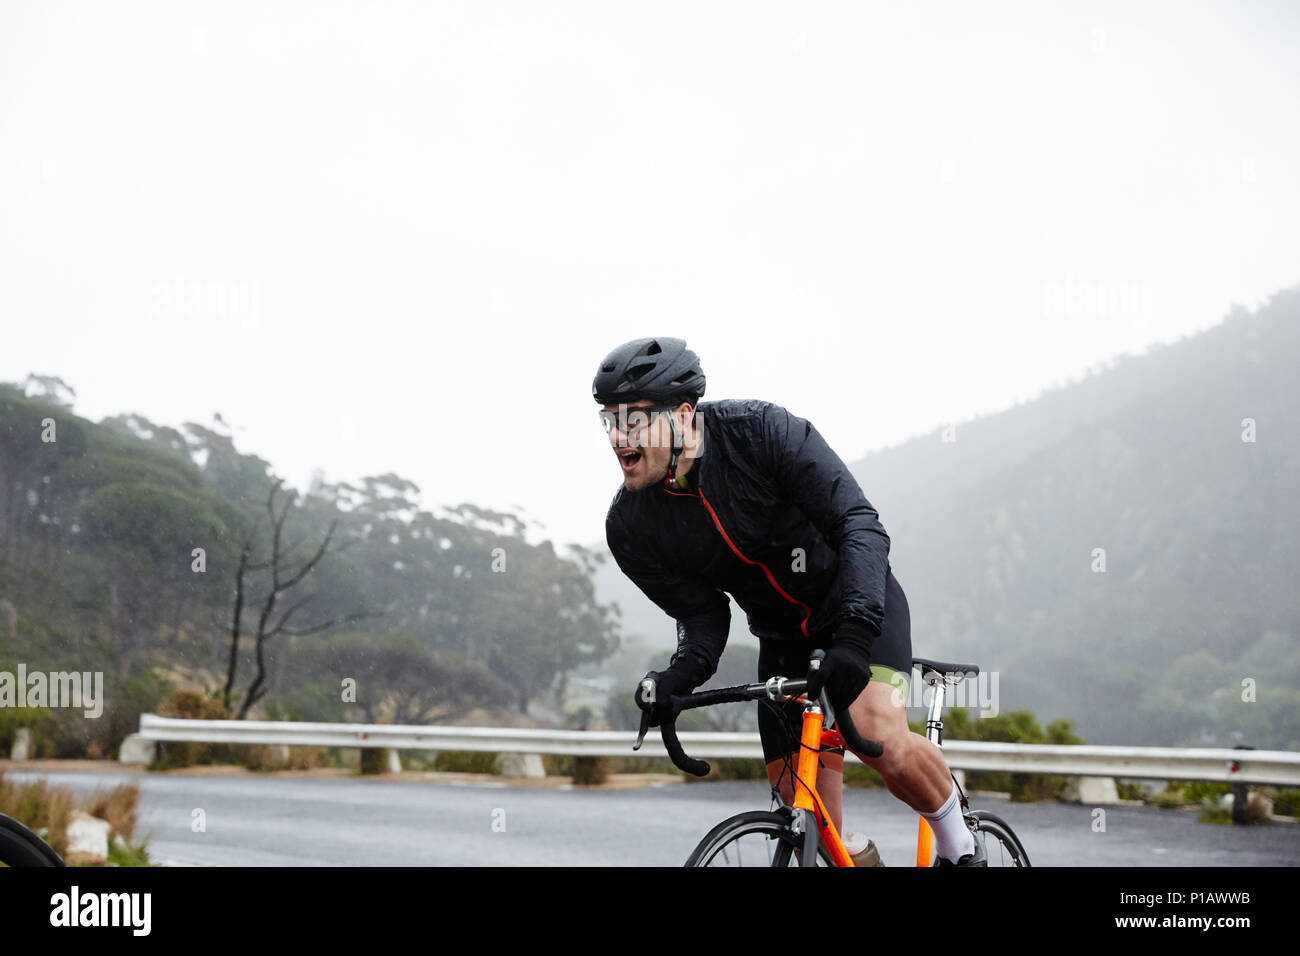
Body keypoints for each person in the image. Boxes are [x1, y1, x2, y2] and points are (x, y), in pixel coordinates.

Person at [596, 336, 984, 866]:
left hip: (856, 608)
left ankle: (961, 844)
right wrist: (674, 679)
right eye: (609, 421)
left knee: (877, 734)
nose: (619, 437)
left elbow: (859, 526)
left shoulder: (761, 433)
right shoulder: (631, 526)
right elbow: (702, 615)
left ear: (683, 415)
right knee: (803, 812)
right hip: (782, 638)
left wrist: (853, 634)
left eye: (634, 420)